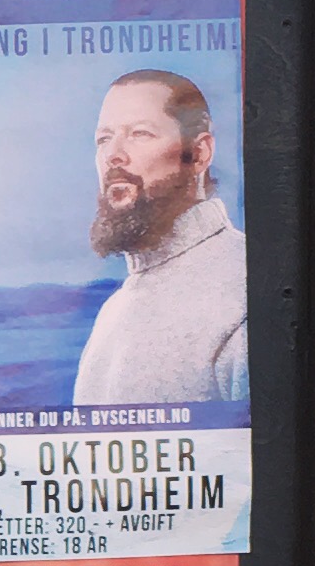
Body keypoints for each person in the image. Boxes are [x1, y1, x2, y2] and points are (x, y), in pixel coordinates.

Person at [70, 68, 249, 406]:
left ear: (199, 154)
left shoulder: (243, 292)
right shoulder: (114, 311)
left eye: (140, 133)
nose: (113, 155)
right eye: (103, 139)